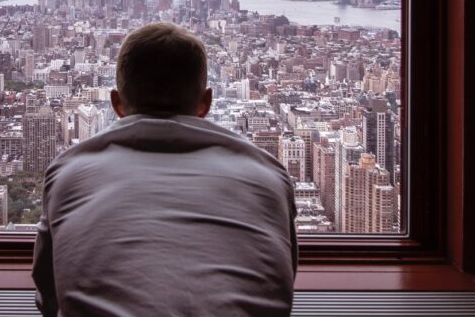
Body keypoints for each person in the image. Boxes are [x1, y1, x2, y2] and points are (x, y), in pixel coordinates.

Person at [32, 22, 297, 316]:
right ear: (205, 103)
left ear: (116, 104)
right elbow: (283, 281)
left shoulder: (68, 173)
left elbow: (48, 295)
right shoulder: (268, 176)